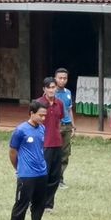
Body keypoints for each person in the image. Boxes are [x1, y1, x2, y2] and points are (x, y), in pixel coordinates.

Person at [9, 102, 48, 220]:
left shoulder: (42, 129)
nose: (43, 119)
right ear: (31, 113)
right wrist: (18, 167)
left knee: (39, 204)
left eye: (45, 116)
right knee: (21, 204)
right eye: (40, 116)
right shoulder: (20, 130)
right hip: (26, 174)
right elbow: (13, 151)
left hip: (42, 173)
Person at [34, 77, 65, 210]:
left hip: (57, 143)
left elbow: (61, 120)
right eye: (49, 87)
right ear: (44, 89)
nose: (52, 90)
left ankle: (48, 204)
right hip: (43, 144)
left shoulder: (60, 103)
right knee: (42, 175)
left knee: (55, 176)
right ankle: (36, 201)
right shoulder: (38, 103)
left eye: (53, 87)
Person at [55, 68, 76, 187]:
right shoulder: (51, 92)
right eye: (60, 78)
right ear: (55, 79)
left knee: (65, 154)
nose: (62, 80)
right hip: (56, 127)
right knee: (54, 153)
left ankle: (60, 179)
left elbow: (69, 110)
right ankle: (52, 178)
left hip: (67, 126)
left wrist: (73, 126)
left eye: (65, 78)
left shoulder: (68, 92)